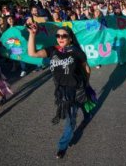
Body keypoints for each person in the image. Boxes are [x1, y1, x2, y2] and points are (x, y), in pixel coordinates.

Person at [27, 22, 91, 159]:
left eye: (64, 35)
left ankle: (62, 146)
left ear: (70, 38)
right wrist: (32, 35)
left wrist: (86, 84)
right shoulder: (53, 50)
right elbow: (32, 53)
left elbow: (86, 68)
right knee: (79, 105)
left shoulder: (76, 51)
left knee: (70, 119)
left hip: (75, 88)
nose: (60, 38)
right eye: (58, 35)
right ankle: (87, 113)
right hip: (61, 91)